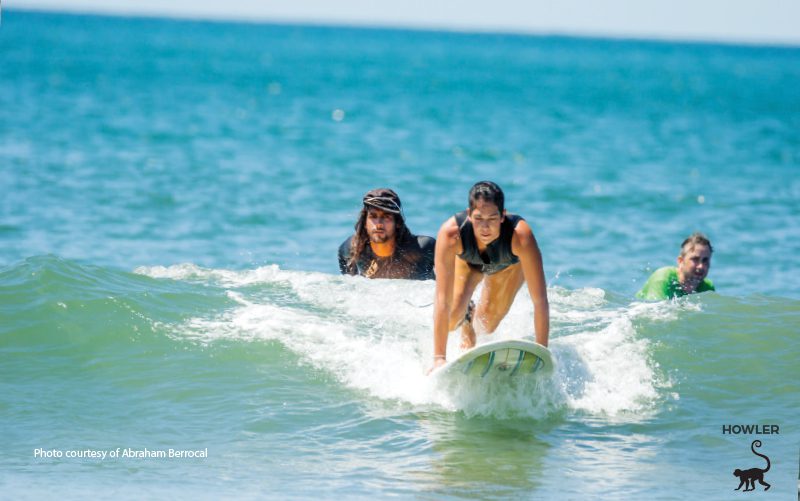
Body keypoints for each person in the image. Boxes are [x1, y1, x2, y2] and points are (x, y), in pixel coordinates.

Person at [429, 181, 549, 372]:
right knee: (451, 320)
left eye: (492, 218)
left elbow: (540, 300)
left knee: (487, 325)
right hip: (468, 264)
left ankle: (473, 319)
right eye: (478, 218)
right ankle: (467, 315)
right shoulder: (451, 234)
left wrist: (542, 353)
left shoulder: (521, 236)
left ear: (502, 216)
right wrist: (438, 359)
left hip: (506, 268)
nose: (485, 227)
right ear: (469, 214)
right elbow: (441, 299)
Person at [338, 188, 435, 280]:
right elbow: (343, 257)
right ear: (365, 222)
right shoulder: (355, 248)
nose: (379, 223)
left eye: (386, 216)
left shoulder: (422, 248)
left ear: (397, 223)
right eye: (373, 216)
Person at [637, 232, 715, 300]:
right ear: (680, 261)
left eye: (705, 260)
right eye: (695, 259)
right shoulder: (663, 279)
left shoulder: (707, 288)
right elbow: (655, 314)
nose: (701, 266)